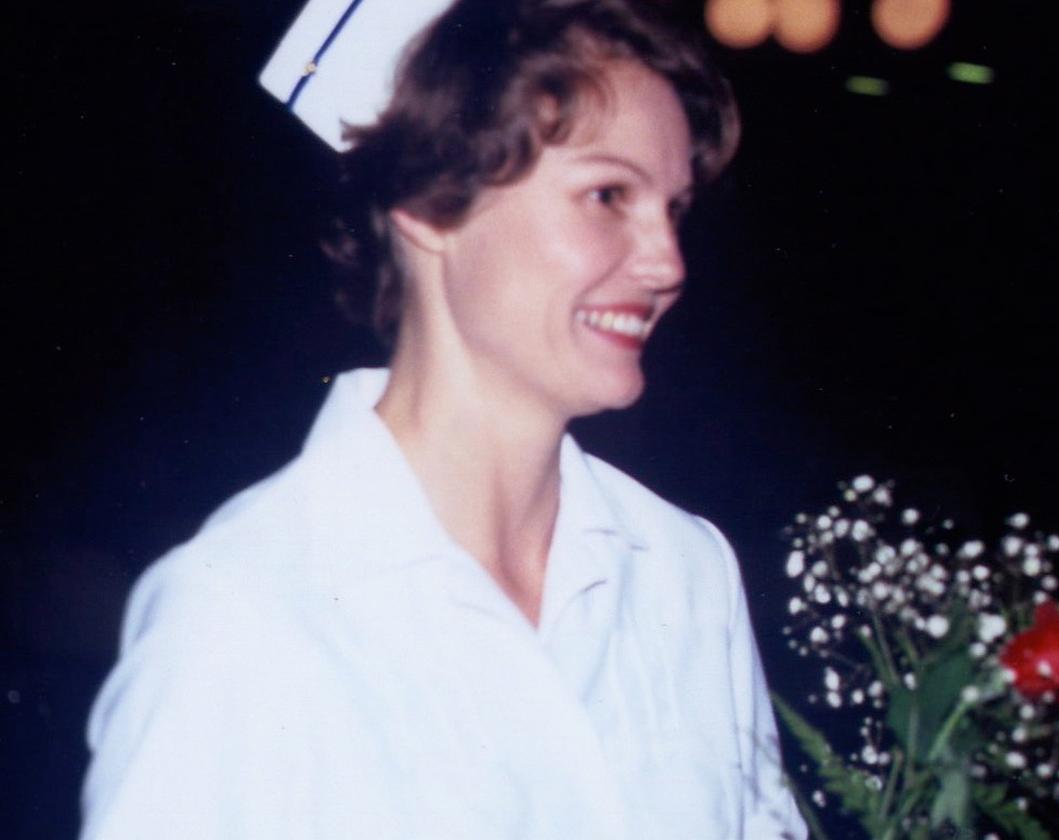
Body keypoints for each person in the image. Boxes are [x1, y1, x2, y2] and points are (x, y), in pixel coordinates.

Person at [79, 0, 806, 837]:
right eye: (607, 195)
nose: (666, 262)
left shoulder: (687, 572)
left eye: (672, 208)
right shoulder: (245, 611)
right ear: (427, 203)